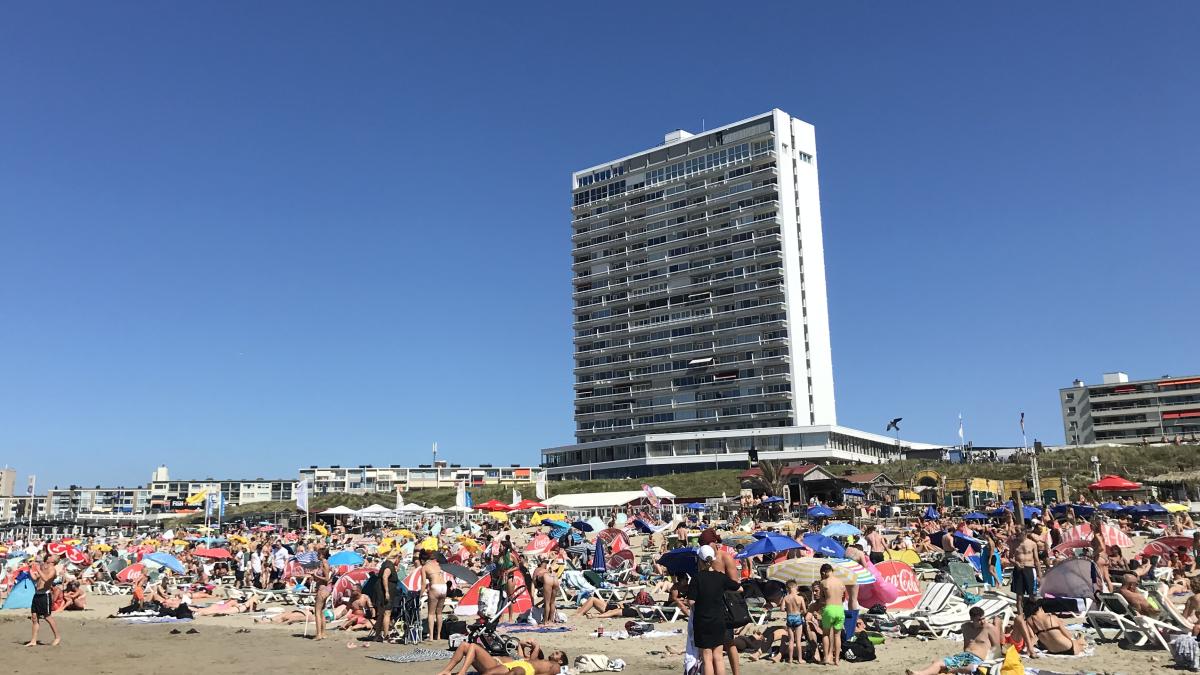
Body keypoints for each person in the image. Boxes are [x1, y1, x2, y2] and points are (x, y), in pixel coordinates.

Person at [688, 545, 741, 675]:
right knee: (718, 657)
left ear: (699, 560)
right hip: (719, 619)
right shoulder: (720, 577)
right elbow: (738, 587)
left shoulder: (697, 578)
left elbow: (691, 601)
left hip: (702, 620)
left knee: (707, 657)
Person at [906, 605, 1001, 675]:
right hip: (963, 657)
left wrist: (991, 663)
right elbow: (966, 644)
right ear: (971, 619)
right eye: (979, 620)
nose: (982, 621)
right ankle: (919, 673)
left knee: (969, 668)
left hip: (977, 659)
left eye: (983, 618)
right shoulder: (966, 627)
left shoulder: (989, 628)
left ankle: (949, 670)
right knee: (938, 663)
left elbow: (996, 648)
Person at [436, 638, 567, 675]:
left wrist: (536, 647)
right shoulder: (524, 661)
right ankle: (447, 670)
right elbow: (521, 656)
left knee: (473, 647)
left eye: (556, 653)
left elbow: (532, 660)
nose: (553, 652)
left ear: (560, 661)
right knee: (465, 645)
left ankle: (462, 672)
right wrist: (521, 644)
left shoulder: (536, 663)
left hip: (497, 665)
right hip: (498, 663)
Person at [1023, 599, 1088, 655]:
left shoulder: (1029, 621)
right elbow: (1068, 635)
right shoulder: (1052, 617)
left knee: (1078, 641)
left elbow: (1032, 638)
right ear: (1040, 608)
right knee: (1081, 641)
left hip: (1053, 650)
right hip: (1068, 648)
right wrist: (1074, 641)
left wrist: (1030, 650)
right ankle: (1081, 638)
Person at [28, 552, 62, 646]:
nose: (48, 557)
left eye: (51, 556)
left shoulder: (53, 570)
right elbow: (35, 578)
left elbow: (46, 579)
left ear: (53, 560)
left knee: (47, 617)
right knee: (34, 618)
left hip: (44, 595)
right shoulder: (43, 567)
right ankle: (33, 640)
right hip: (37, 594)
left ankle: (57, 637)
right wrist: (30, 568)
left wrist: (38, 570)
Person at [817, 564, 845, 666]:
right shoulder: (841, 582)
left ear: (824, 572)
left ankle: (826, 658)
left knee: (825, 634)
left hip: (829, 609)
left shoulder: (824, 582)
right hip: (840, 609)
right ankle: (836, 660)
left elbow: (821, 600)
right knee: (837, 636)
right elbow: (843, 597)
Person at [1010, 527, 1041, 610]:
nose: (1016, 534)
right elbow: (1010, 557)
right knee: (1019, 597)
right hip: (1018, 570)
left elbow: (1036, 560)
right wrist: (1016, 563)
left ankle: (1035, 614)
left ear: (1024, 532)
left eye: (1018, 532)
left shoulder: (1032, 544)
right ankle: (1020, 616)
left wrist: (1039, 575)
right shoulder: (1013, 543)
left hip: (1029, 569)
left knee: (1032, 595)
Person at [422, 550, 449, 640]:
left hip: (435, 587)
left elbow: (423, 583)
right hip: (443, 587)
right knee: (439, 613)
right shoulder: (438, 564)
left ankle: (431, 637)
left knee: (431, 613)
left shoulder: (424, 567)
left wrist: (421, 594)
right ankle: (439, 636)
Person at [310, 548, 333, 640]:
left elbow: (327, 579)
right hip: (322, 588)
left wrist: (316, 576)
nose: (317, 555)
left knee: (317, 611)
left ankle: (318, 634)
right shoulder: (322, 563)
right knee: (322, 611)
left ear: (322, 555)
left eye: (318, 554)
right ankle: (322, 633)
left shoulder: (325, 563)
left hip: (323, 589)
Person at [781, 580, 805, 663]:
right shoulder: (800, 598)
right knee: (798, 640)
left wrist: (787, 609)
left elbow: (781, 609)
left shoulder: (786, 598)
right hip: (797, 617)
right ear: (796, 587)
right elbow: (804, 610)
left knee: (791, 640)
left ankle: (790, 659)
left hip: (789, 617)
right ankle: (800, 659)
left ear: (788, 588)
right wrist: (800, 611)